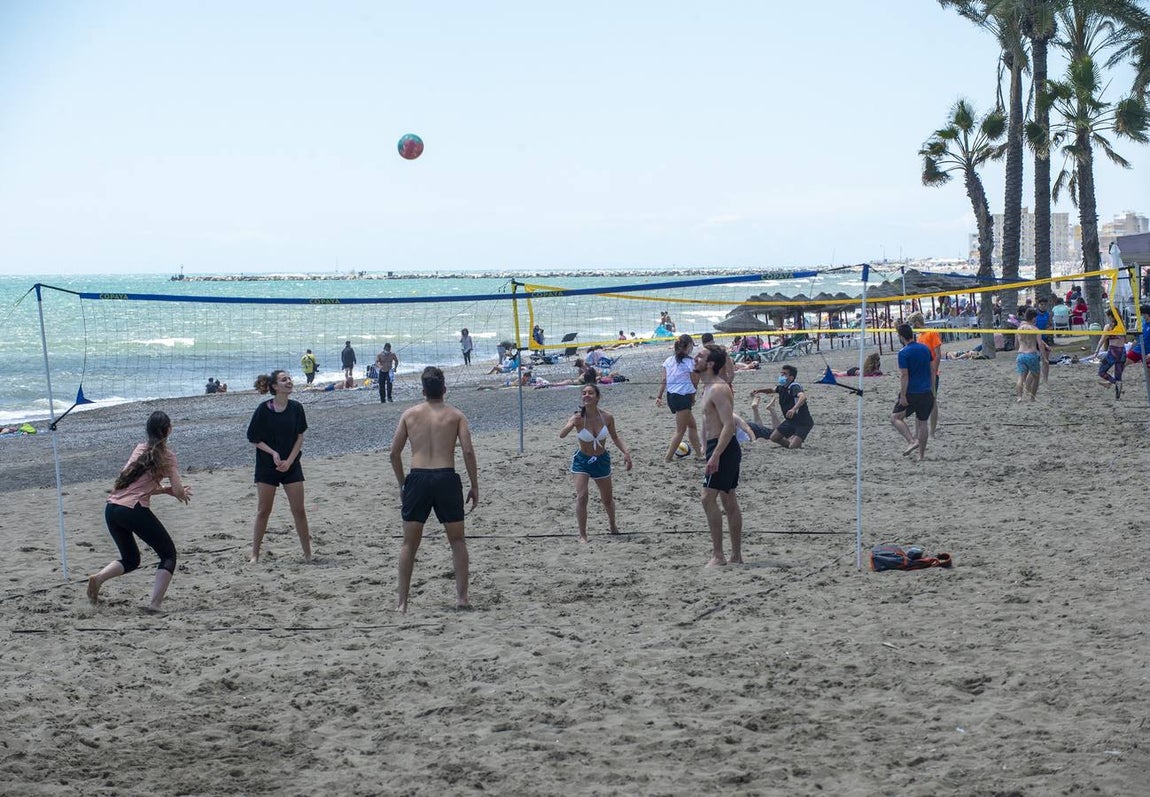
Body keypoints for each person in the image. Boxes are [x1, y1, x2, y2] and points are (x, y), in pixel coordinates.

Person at [390, 366, 478, 612]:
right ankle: (462, 599)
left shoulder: (410, 414)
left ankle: (403, 603)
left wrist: (402, 483)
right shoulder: (456, 415)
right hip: (445, 477)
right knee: (457, 540)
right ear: (445, 389)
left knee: (409, 543)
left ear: (423, 390)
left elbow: (394, 453)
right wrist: (474, 485)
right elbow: (468, 452)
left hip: (417, 478)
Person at [86, 411, 191, 613]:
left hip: (112, 508)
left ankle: (98, 578)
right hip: (132, 509)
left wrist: (165, 491)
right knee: (168, 555)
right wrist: (178, 493)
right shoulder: (168, 456)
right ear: (168, 430)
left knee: (131, 559)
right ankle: (154, 604)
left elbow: (133, 485)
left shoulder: (140, 449)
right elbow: (178, 490)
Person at [247, 370, 312, 563]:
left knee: (299, 510)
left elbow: (300, 436)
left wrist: (290, 460)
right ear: (275, 386)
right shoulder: (263, 409)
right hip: (268, 466)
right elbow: (253, 438)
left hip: (291, 465)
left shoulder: (296, 408)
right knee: (264, 510)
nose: (289, 382)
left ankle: (308, 554)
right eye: (284, 380)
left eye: (289, 379)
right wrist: (273, 453)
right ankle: (255, 554)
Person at [559, 383, 633, 542]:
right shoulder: (578, 418)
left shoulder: (607, 417)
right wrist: (571, 424)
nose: (586, 395)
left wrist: (626, 452)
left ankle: (613, 525)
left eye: (590, 393)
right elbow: (562, 435)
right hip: (582, 460)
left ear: (597, 397)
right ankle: (583, 535)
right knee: (582, 496)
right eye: (584, 393)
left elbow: (615, 437)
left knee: (607, 499)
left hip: (601, 460)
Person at [695, 344, 742, 567]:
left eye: (700, 356)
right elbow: (707, 422)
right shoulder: (707, 387)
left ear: (711, 363)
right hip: (717, 447)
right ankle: (736, 556)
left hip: (723, 448)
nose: (696, 358)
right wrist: (705, 447)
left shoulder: (718, 389)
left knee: (707, 498)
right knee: (728, 499)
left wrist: (715, 456)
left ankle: (719, 555)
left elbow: (728, 426)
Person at [655, 334, 703, 462]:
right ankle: (668, 458)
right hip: (682, 397)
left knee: (692, 426)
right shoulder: (690, 362)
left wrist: (659, 396)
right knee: (680, 431)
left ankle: (699, 454)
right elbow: (695, 381)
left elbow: (664, 380)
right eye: (691, 345)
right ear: (687, 347)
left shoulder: (668, 360)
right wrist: (693, 396)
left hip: (671, 397)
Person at [890, 323, 934, 462]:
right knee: (923, 423)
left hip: (912, 392)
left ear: (902, 337)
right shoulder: (925, 348)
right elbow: (931, 370)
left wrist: (903, 395)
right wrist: (932, 390)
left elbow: (904, 376)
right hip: (926, 391)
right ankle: (921, 456)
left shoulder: (903, 352)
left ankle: (911, 441)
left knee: (895, 418)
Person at [750, 363, 814, 449]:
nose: (781, 376)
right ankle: (791, 444)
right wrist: (759, 390)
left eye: (784, 374)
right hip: (790, 421)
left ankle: (794, 443)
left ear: (791, 377)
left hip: (803, 422)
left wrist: (794, 409)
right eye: (781, 374)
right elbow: (771, 390)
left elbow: (803, 397)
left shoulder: (794, 387)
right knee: (774, 437)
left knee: (793, 447)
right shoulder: (782, 387)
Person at [908, 312, 941, 436]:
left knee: (932, 400)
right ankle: (921, 431)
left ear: (917, 323)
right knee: (921, 401)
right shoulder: (920, 337)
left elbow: (938, 354)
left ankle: (932, 430)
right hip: (922, 373)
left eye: (912, 324)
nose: (912, 327)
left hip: (932, 372)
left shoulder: (931, 333)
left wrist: (934, 370)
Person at [1015, 308, 1048, 402]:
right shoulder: (1035, 329)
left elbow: (1016, 345)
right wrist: (1044, 357)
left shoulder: (1019, 328)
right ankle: (1032, 398)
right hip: (1031, 354)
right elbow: (1040, 344)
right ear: (1033, 318)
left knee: (1021, 377)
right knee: (1036, 377)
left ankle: (1019, 397)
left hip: (1021, 354)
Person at [1096, 309, 1127, 399]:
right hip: (1123, 352)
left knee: (1101, 372)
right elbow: (1125, 340)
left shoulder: (1108, 326)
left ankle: (1115, 383)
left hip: (1113, 352)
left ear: (1111, 316)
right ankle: (1117, 396)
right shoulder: (1122, 325)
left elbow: (1102, 339)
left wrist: (1097, 351)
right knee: (1118, 375)